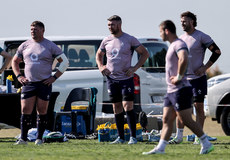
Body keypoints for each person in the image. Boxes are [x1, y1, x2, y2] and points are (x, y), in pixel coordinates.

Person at [142, 20, 213, 155]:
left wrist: (179, 76)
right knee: (166, 119)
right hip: (171, 91)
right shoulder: (173, 44)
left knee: (186, 120)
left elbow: (184, 58)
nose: (160, 34)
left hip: (180, 89)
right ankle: (160, 148)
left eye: (161, 31)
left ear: (166, 31)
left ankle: (206, 143)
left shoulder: (179, 44)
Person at [12, 21, 69, 145]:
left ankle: (39, 139)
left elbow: (64, 62)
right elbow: (15, 61)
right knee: (25, 110)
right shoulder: (25, 45)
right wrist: (19, 76)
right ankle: (23, 139)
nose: (33, 31)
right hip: (29, 83)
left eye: (36, 29)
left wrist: (54, 77)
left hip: (44, 83)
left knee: (42, 111)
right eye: (31, 29)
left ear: (43, 31)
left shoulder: (50, 46)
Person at [169, 11, 221, 145]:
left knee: (198, 107)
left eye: (184, 21)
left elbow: (217, 52)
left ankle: (199, 137)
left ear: (192, 22)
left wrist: (205, 67)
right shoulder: (179, 39)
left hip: (198, 79)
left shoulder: (202, 36)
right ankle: (179, 137)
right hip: (183, 80)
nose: (182, 24)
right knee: (180, 108)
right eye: (181, 22)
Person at [96, 15, 149, 144]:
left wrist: (134, 68)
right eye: (108, 25)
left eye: (112, 25)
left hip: (126, 79)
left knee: (128, 106)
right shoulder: (106, 40)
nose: (110, 27)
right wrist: (101, 66)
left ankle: (133, 137)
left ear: (119, 25)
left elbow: (145, 53)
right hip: (112, 79)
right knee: (116, 107)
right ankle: (120, 138)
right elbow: (99, 54)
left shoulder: (129, 39)